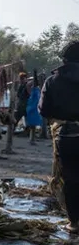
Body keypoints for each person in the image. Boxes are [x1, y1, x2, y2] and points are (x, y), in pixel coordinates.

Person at [39, 41, 79, 233]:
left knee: (70, 178)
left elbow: (44, 110)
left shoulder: (52, 81)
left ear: (64, 60)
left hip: (66, 135)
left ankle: (74, 222)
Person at [28, 74, 44, 144]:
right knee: (32, 126)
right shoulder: (34, 90)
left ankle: (32, 139)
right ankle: (32, 140)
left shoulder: (37, 90)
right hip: (32, 109)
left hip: (34, 109)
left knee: (33, 126)